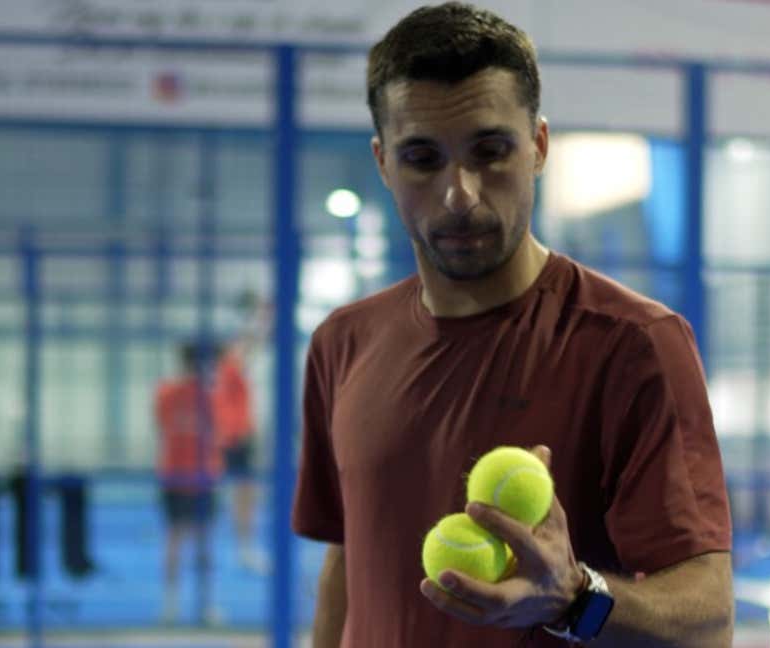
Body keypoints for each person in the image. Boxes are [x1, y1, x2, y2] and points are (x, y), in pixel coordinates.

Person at [291, 4, 734, 647]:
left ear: (539, 147)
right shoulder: (342, 342)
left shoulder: (636, 345)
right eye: (422, 158)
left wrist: (578, 598)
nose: (460, 194)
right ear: (384, 163)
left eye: (490, 150)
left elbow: (710, 622)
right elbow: (347, 562)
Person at [154, 342, 224, 626]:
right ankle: (203, 606)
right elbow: (219, 430)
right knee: (200, 541)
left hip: (180, 474)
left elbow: (160, 426)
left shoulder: (165, 393)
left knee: (176, 539)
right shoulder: (208, 396)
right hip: (195, 475)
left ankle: (173, 606)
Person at [213, 338, 268, 574]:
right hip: (235, 439)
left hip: (234, 437)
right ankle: (244, 550)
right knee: (244, 497)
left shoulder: (227, 370)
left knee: (244, 496)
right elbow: (250, 345)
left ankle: (244, 549)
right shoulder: (229, 368)